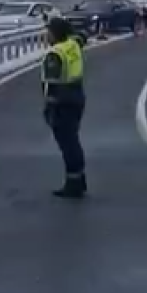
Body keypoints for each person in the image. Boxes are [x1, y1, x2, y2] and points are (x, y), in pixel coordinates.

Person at [41, 16, 87, 198]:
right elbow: (81, 37)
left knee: (68, 144)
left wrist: (49, 110)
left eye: (49, 31)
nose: (46, 35)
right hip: (76, 96)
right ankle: (79, 179)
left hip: (62, 102)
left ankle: (73, 183)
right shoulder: (72, 45)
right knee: (73, 141)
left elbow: (52, 84)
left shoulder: (55, 54)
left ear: (56, 33)